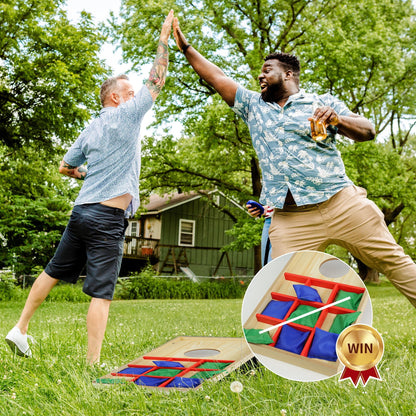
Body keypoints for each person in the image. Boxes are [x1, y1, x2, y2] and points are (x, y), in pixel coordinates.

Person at [173, 18, 416, 308]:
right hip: (290, 219)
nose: (260, 77)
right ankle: (279, 350)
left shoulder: (321, 102)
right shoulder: (253, 107)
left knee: (396, 262)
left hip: (341, 204)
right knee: (281, 289)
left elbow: (368, 130)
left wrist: (338, 120)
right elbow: (217, 77)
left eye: (267, 70)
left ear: (288, 74)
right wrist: (186, 48)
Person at [5, 11, 174, 364]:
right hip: (107, 218)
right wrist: (163, 36)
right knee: (101, 292)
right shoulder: (126, 115)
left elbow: (66, 166)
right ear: (115, 98)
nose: (134, 96)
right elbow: (156, 81)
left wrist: (86, 176)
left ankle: (19, 328)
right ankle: (92, 365)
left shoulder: (90, 127)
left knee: (52, 270)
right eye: (128, 92)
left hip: (81, 212)